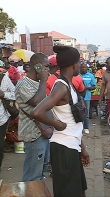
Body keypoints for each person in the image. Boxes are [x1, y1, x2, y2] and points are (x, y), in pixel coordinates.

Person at [31, 46, 89, 197]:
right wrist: (56, 124)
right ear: (74, 65)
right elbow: (36, 112)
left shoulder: (68, 85)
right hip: (63, 149)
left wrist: (82, 148)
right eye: (79, 62)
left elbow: (73, 121)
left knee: (79, 191)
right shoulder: (61, 87)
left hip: (72, 146)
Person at [15, 53, 51, 181]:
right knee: (32, 176)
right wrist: (43, 81)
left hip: (42, 132)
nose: (48, 69)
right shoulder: (23, 84)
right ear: (37, 67)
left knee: (41, 172)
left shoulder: (36, 83)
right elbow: (37, 102)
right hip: (32, 135)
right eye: (46, 66)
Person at [0, 68, 15, 170]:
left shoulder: (4, 79)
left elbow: (16, 94)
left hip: (1, 119)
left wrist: (4, 94)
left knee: (0, 147)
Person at [80, 62, 96, 134]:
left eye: (84, 67)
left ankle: (86, 127)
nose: (83, 69)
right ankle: (80, 128)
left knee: (86, 113)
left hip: (87, 97)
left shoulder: (90, 76)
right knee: (79, 113)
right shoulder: (77, 75)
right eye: (82, 67)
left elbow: (94, 86)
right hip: (78, 97)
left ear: (87, 68)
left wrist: (87, 88)